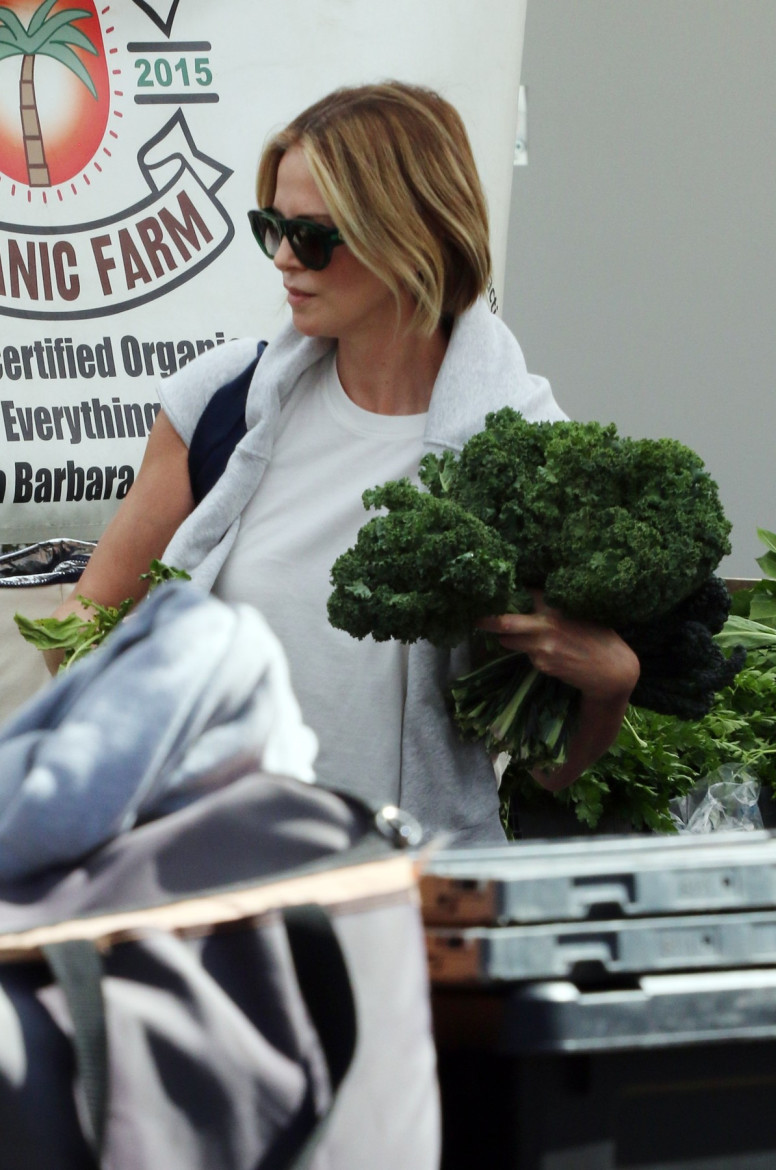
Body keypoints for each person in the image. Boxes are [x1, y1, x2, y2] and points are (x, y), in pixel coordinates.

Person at [47, 81, 639, 844]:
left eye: (316, 237)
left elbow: (547, 770)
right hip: (200, 898)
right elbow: (86, 621)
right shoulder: (221, 404)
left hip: (405, 920)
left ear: (412, 234)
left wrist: (610, 688)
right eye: (272, 227)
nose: (284, 260)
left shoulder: (531, 465)